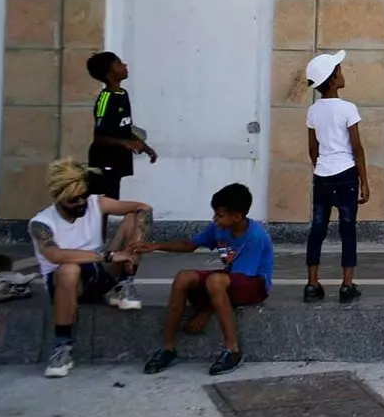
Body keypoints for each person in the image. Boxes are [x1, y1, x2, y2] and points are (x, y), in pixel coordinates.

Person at [29, 158, 154, 378]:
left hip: (101, 273)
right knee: (69, 269)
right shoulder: (41, 223)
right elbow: (56, 255)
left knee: (135, 218)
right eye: (73, 200)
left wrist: (136, 246)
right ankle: (62, 349)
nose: (81, 203)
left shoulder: (96, 203)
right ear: (58, 197)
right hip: (68, 286)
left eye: (84, 196)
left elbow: (144, 208)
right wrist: (109, 255)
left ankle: (124, 284)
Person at [134, 183, 273, 377]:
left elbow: (237, 279)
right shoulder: (219, 229)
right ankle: (168, 348)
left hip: (254, 284)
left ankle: (232, 350)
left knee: (215, 281)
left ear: (237, 217)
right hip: (228, 280)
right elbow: (190, 244)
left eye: (220, 215)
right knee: (183, 277)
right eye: (215, 214)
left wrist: (204, 313)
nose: (215, 219)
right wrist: (156, 245)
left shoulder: (256, 237)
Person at [303, 50, 369, 303]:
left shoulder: (313, 111)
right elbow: (357, 147)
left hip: (322, 175)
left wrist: (321, 166)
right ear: (332, 80)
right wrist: (364, 180)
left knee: (318, 228)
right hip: (346, 175)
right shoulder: (348, 109)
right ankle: (347, 284)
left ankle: (312, 283)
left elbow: (312, 148)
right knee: (347, 227)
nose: (342, 73)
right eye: (338, 70)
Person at [84, 51, 157, 208]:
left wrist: (143, 146)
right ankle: (95, 233)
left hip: (118, 160)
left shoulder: (122, 94)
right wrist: (125, 142)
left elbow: (123, 126)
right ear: (109, 74)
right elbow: (99, 137)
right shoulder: (105, 99)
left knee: (111, 202)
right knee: (100, 205)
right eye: (118, 63)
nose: (124, 65)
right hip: (104, 160)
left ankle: (100, 233)